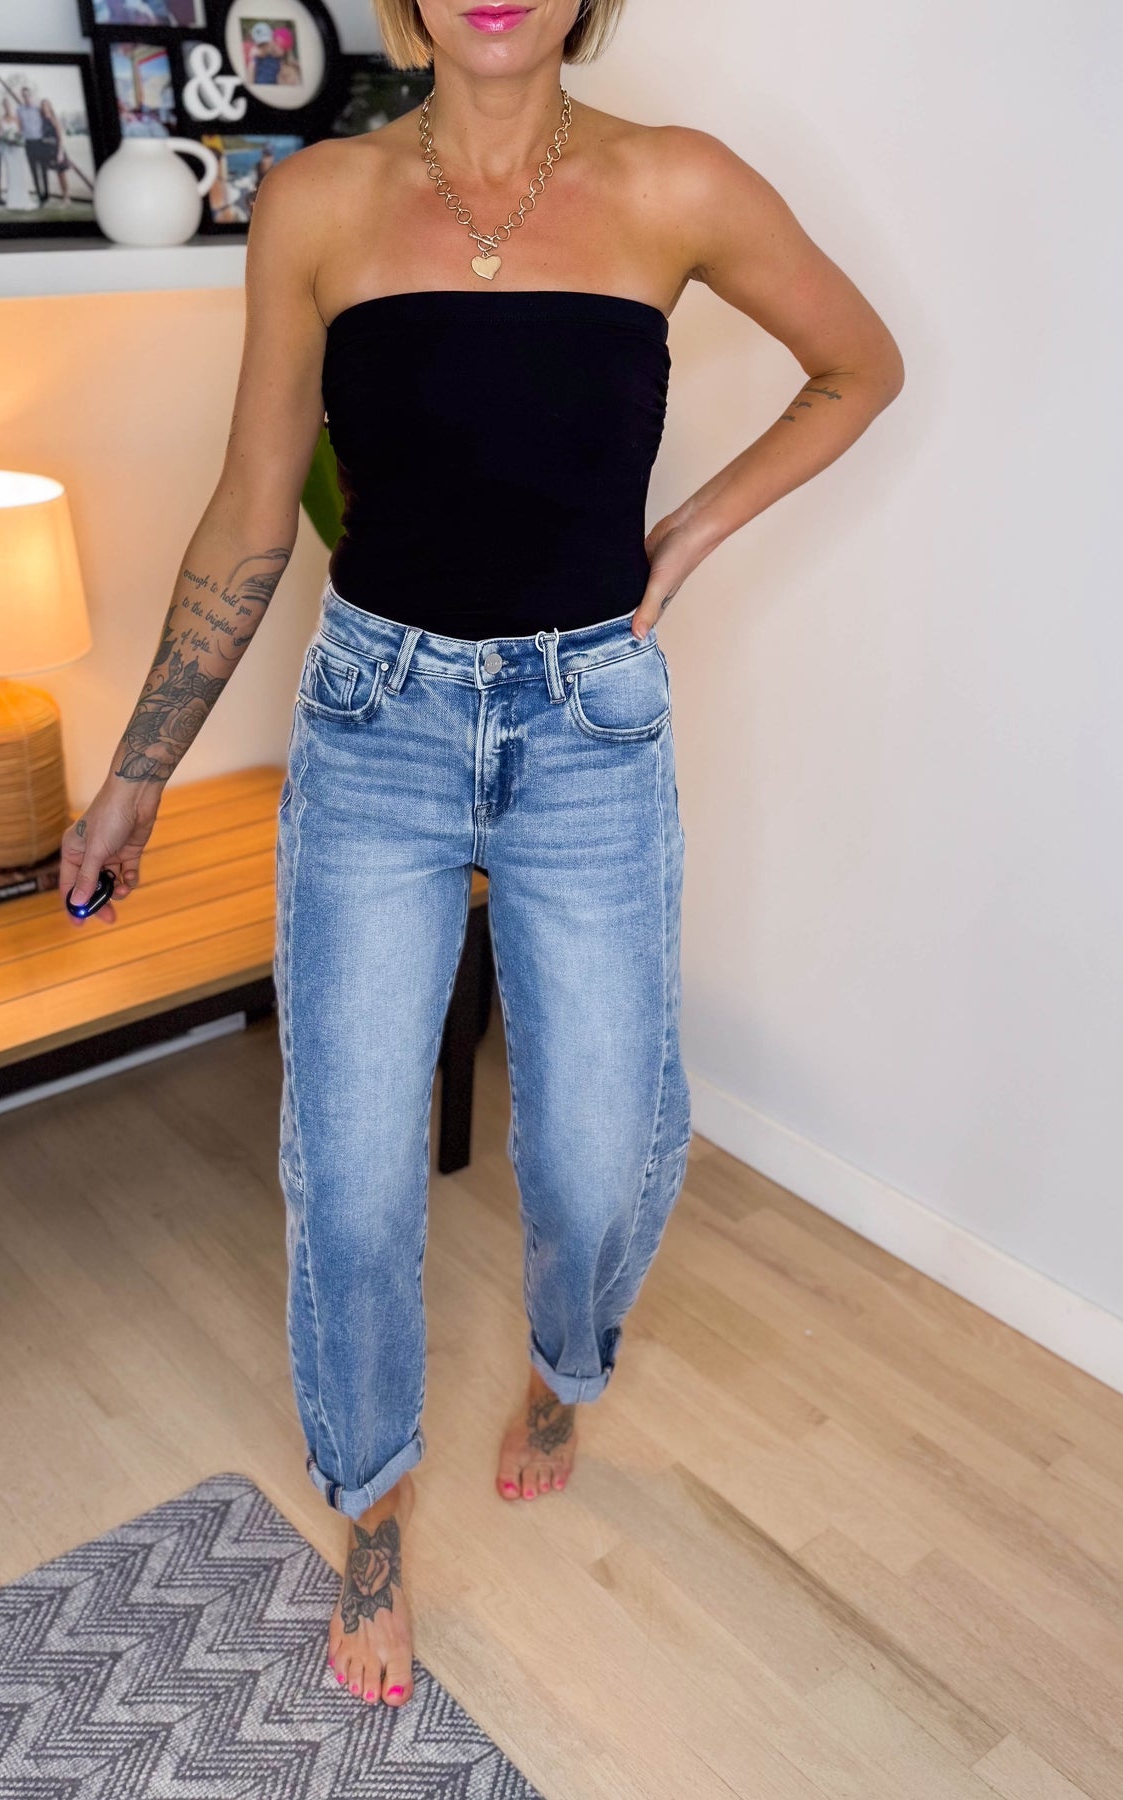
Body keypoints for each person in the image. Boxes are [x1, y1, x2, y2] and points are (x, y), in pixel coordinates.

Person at [60, 0, 903, 1717]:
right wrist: (139, 770)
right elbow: (253, 502)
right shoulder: (318, 203)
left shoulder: (676, 184)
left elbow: (858, 366)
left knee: (597, 1151)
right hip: (376, 721)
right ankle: (372, 1505)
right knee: (351, 1167)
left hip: (586, 724)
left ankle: (564, 1365)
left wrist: (692, 530)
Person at [0, 99, 35, 211]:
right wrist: (6, 138)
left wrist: (15, 139)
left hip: (17, 150)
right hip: (8, 151)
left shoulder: (17, 118)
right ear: (3, 106)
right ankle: (12, 199)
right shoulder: (0, 119)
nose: (7, 107)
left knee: (20, 173)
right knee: (11, 173)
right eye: (5, 105)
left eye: (8, 105)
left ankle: (22, 198)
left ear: (11, 106)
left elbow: (21, 132)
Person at [17, 85, 49, 204]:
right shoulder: (19, 110)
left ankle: (46, 194)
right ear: (22, 97)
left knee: (43, 169)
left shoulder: (38, 109)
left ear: (31, 95)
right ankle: (39, 195)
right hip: (28, 143)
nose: (26, 97)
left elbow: (46, 122)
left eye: (27, 95)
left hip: (40, 142)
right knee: (33, 170)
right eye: (24, 95)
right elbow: (20, 127)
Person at [40, 98, 72, 203]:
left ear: (50, 106)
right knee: (57, 174)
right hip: (48, 150)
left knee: (62, 174)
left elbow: (60, 138)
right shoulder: (41, 120)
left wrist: (60, 153)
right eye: (43, 106)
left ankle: (66, 197)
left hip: (57, 149)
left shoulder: (54, 119)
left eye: (46, 105)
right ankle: (62, 196)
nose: (45, 107)